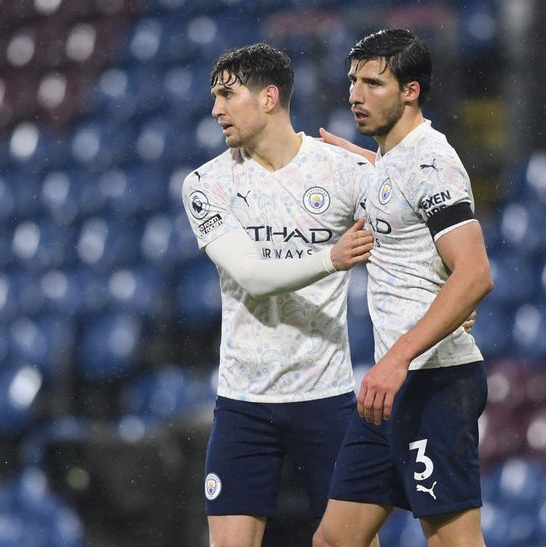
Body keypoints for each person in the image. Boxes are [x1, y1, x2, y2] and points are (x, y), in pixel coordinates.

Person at [181, 43, 379, 547]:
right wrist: (330, 258)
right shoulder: (207, 183)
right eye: (214, 97)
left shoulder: (344, 174)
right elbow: (251, 274)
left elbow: (413, 233)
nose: (215, 108)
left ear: (269, 97)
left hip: (326, 397)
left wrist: (447, 299)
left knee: (350, 543)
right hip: (245, 401)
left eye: (227, 94)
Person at [313, 29, 493, 547]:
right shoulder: (390, 158)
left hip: (434, 382)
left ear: (411, 91)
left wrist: (395, 361)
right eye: (353, 81)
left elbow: (475, 273)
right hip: (390, 390)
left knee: (452, 543)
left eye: (374, 83)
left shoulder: (431, 162)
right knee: (334, 541)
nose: (356, 94)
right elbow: (394, 182)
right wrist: (354, 154)